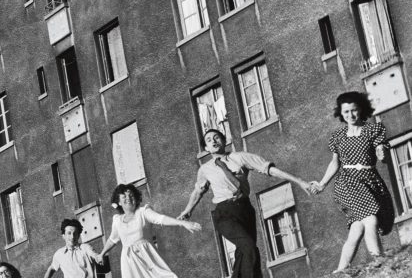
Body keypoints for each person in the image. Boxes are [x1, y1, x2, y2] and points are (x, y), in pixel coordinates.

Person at [177, 129, 315, 278]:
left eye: (217, 137)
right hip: (224, 213)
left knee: (243, 252)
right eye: (209, 140)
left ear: (224, 140)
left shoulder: (240, 157)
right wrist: (187, 210)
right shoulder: (205, 169)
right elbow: (198, 191)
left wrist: (300, 182)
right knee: (249, 248)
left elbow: (270, 169)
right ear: (206, 148)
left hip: (245, 210)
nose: (214, 141)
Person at [310, 91, 395, 273]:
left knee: (357, 228)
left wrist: (381, 153)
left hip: (370, 181)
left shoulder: (373, 130)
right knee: (370, 219)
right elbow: (335, 162)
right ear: (340, 113)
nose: (350, 115)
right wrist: (322, 183)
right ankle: (380, 262)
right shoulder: (338, 136)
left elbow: (383, 154)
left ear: (361, 109)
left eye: (354, 111)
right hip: (347, 183)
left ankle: (340, 271)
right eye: (346, 112)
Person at [97, 184, 200, 278]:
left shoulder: (143, 212)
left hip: (148, 258)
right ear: (119, 202)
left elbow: (161, 219)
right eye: (124, 197)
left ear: (136, 198)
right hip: (130, 263)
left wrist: (182, 223)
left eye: (131, 195)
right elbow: (112, 240)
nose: (128, 198)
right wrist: (102, 254)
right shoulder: (117, 220)